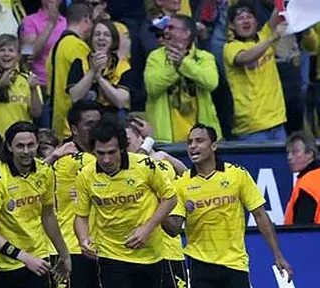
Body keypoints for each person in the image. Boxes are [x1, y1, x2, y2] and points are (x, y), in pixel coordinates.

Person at [162, 123, 293, 288]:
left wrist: (278, 255)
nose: (193, 146)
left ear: (214, 146)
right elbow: (174, 229)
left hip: (234, 264)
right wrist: (159, 208)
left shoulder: (237, 174)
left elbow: (260, 215)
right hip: (200, 265)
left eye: (199, 141)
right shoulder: (181, 184)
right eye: (189, 142)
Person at [74, 115, 177, 288]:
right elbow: (81, 216)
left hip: (149, 253)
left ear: (122, 148)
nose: (106, 159)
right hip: (111, 254)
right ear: (93, 151)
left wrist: (147, 229)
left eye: (111, 152)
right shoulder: (85, 174)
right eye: (100, 153)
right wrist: (83, 239)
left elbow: (170, 198)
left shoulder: (145, 166)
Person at [0, 121, 71, 288]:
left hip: (38, 259)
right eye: (20, 146)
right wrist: (25, 258)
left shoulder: (45, 172)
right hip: (4, 266)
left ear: (37, 144)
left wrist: (64, 254)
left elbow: (48, 215)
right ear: (9, 147)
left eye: (31, 145)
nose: (26, 151)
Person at [124, 117, 187, 288]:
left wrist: (166, 156)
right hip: (138, 254)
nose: (124, 147)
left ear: (140, 138)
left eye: (127, 141)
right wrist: (150, 142)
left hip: (169, 252)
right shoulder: (124, 169)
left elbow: (188, 176)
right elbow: (134, 165)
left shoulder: (163, 164)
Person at [145, 14, 221, 143]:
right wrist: (176, 67)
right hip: (166, 139)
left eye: (171, 27)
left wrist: (183, 63)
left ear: (186, 33)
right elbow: (152, 86)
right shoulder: (155, 57)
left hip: (202, 139)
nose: (166, 31)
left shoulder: (204, 57)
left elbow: (211, 82)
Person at [223, 2, 288, 141]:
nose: (246, 21)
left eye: (249, 17)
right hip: (251, 128)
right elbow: (245, 58)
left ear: (256, 21)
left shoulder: (264, 35)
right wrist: (272, 38)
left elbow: (279, 8)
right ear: (231, 26)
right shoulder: (230, 48)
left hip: (277, 122)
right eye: (240, 18)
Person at [53, 100, 101, 288]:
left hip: (94, 246)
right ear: (74, 129)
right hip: (74, 248)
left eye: (99, 123)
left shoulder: (94, 156)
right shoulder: (75, 159)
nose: (96, 129)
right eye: (89, 124)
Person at [46, 3, 93, 140]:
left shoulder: (56, 46)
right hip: (72, 124)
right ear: (86, 19)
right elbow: (84, 86)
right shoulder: (78, 46)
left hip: (57, 122)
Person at [20, 0, 68, 128]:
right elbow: (30, 53)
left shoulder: (66, 22)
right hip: (40, 87)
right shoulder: (29, 21)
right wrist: (50, 24)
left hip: (64, 88)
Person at [67, 19, 132, 113]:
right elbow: (75, 97)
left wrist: (99, 78)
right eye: (97, 34)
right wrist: (92, 72)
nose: (101, 38)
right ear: (91, 39)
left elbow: (120, 102)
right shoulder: (79, 62)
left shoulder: (122, 66)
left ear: (113, 40)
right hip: (85, 118)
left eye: (106, 35)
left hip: (112, 119)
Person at [0, 34, 43, 138]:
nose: (6, 54)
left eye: (11, 50)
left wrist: (33, 89)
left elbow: (37, 113)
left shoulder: (28, 78)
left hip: (22, 140)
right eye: (2, 50)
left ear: (18, 56)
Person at [285, 131, 320, 225]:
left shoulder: (307, 185)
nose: (289, 157)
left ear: (310, 154)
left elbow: (302, 230)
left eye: (295, 152)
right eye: (288, 153)